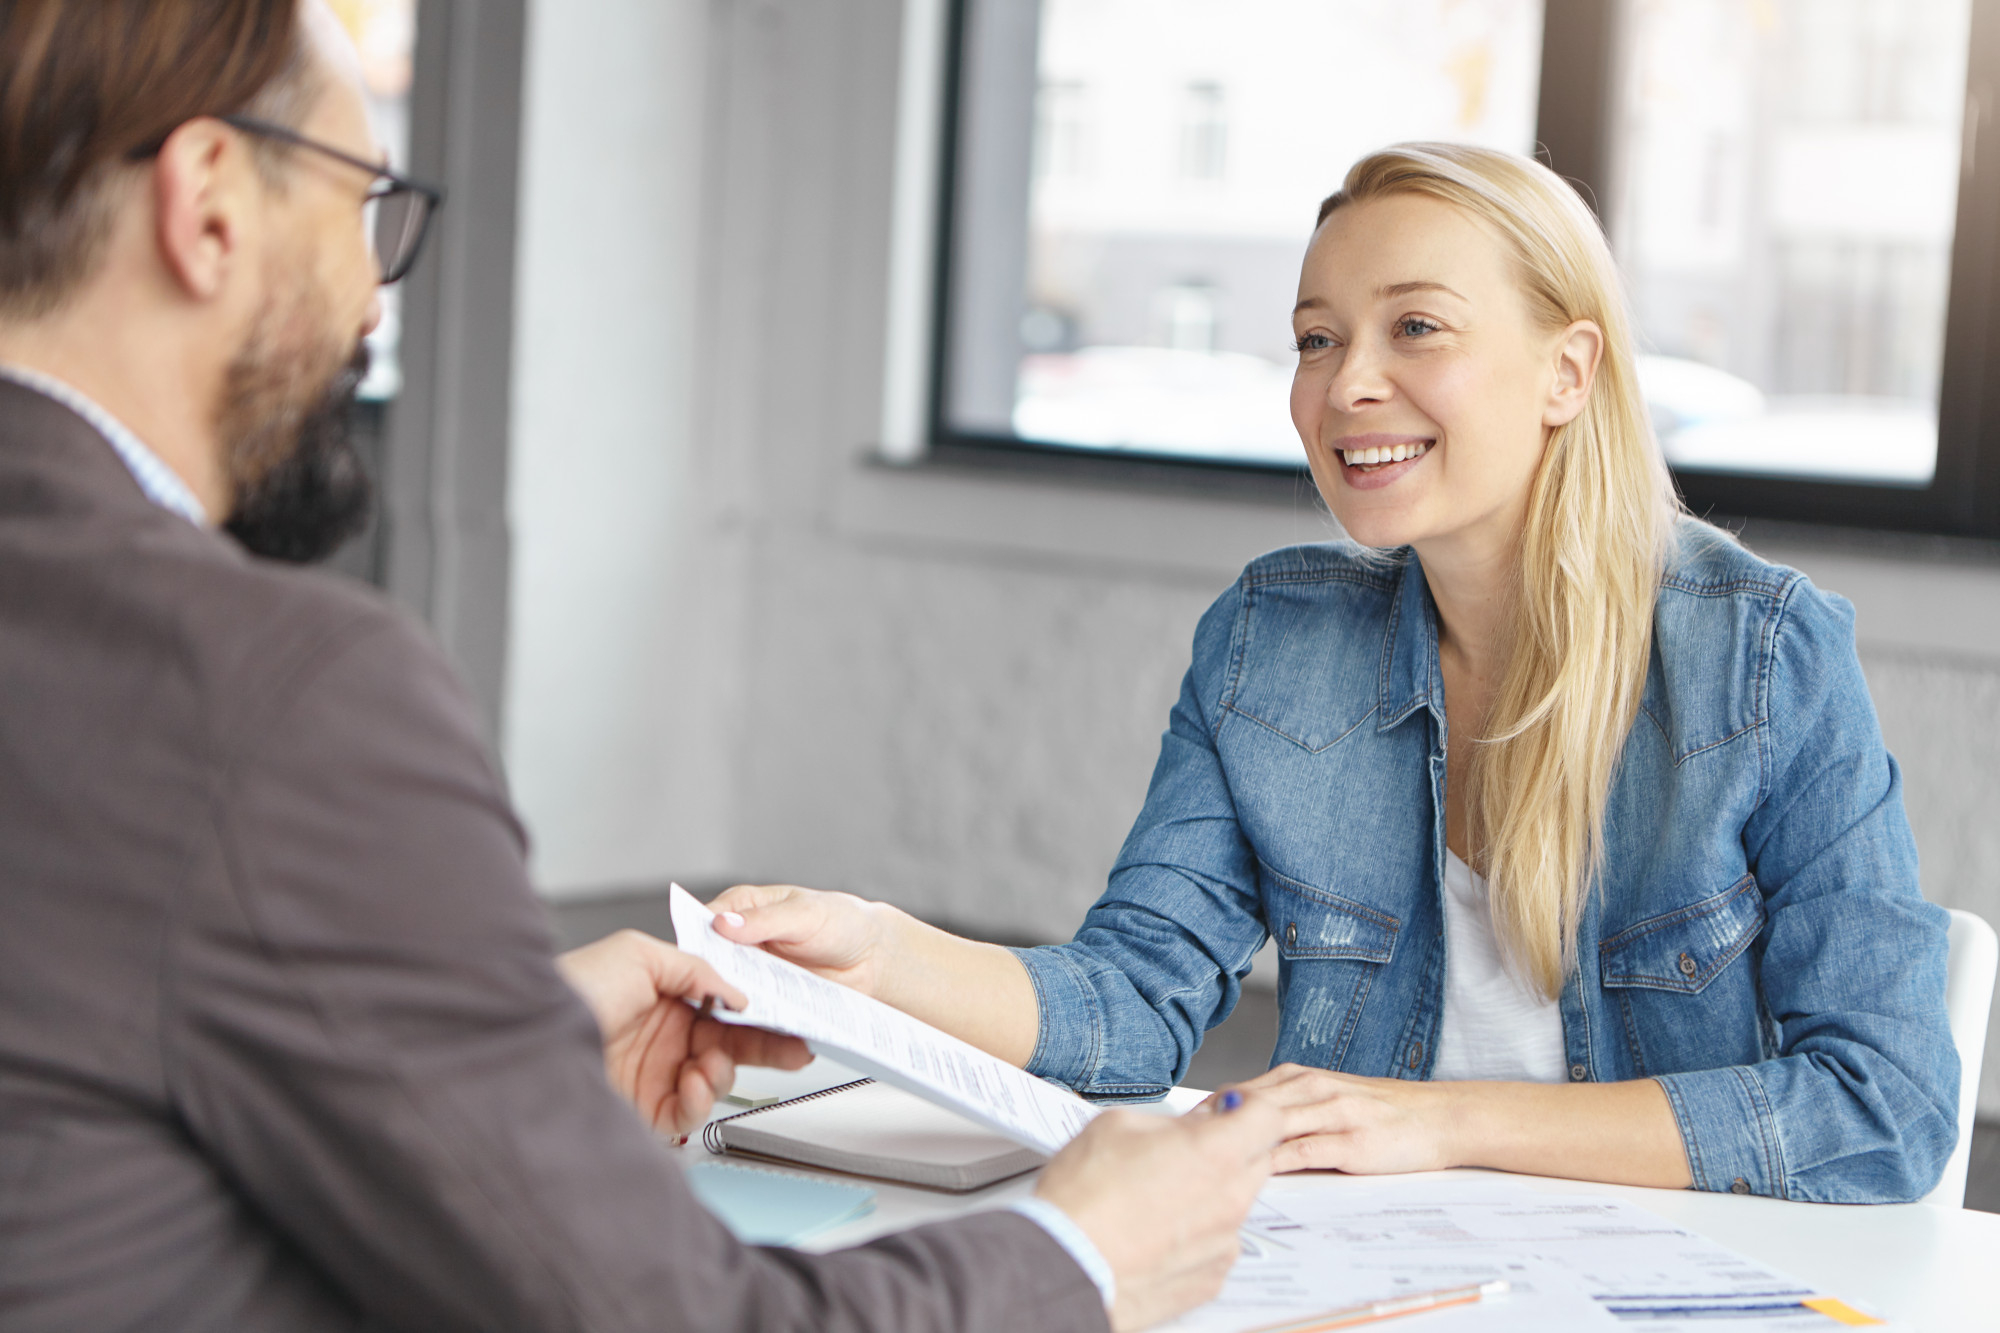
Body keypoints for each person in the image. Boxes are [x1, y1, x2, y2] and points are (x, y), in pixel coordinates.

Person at [0, 3, 1284, 1329]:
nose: (373, 293)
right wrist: (1082, 1254)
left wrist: (490, 1057)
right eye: (361, 204)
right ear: (209, 204)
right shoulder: (277, 694)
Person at [713, 143, 1961, 1205]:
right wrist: (879, 955)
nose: (1345, 382)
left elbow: (1882, 1106)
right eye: (1316, 337)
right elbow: (1132, 999)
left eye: (1413, 326)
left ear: (1564, 373)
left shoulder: (1758, 656)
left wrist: (1443, 1123)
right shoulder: (1271, 641)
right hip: (1360, 1273)